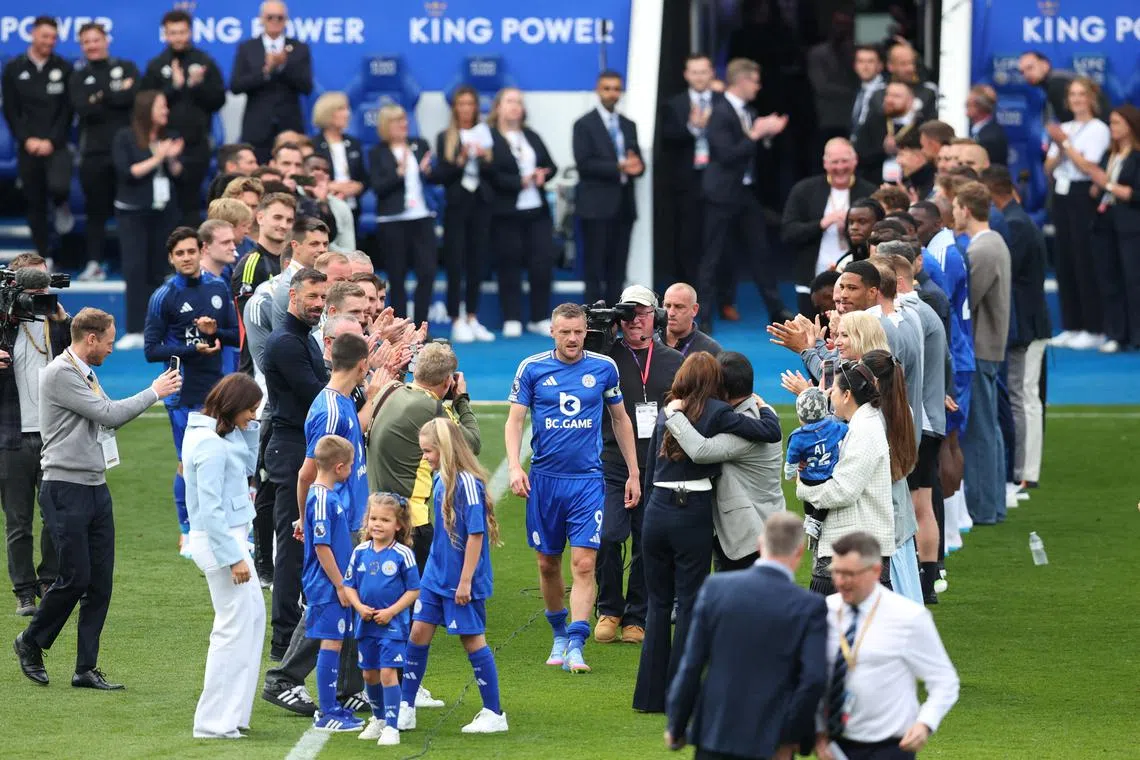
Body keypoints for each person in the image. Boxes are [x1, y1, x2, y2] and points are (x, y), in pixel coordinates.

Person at [14, 308, 182, 688]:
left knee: (99, 583)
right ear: (91, 339)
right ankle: (30, 640)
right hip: (65, 487)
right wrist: (155, 391)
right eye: (108, 340)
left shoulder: (85, 372)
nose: (110, 348)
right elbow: (108, 415)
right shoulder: (59, 373)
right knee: (74, 577)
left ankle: (85, 668)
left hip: (93, 486)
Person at [635, 352, 783, 713]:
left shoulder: (666, 411)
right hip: (691, 514)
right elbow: (768, 432)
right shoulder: (719, 413)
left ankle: (648, 697)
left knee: (657, 606)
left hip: (657, 512)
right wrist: (764, 409)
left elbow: (652, 462)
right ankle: (681, 695)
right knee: (688, 604)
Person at [506, 303, 641, 674]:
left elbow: (620, 419)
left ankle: (578, 644)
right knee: (548, 563)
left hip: (587, 482)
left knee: (584, 563)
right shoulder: (532, 368)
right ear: (553, 332)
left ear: (585, 331)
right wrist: (516, 466)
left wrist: (633, 471)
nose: (572, 338)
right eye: (565, 332)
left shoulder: (603, 368)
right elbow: (515, 420)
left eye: (578, 332)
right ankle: (559, 634)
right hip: (545, 482)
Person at [665, 512, 828, 760]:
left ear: (760, 545)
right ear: (798, 552)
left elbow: (692, 664)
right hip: (771, 742)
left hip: (715, 734)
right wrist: (790, 737)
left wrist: (676, 724)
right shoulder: (809, 606)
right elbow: (813, 679)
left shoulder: (716, 589)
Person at [398, 418, 508, 735]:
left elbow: (475, 535)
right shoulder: (440, 480)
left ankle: (494, 712)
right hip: (435, 577)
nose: (425, 457)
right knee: (418, 632)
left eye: (428, 451)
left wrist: (465, 581)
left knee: (472, 640)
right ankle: (406, 707)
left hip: (461, 580)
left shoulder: (467, 484)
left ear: (444, 449)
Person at [815, 531, 959, 760]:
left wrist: (924, 724)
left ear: (875, 571)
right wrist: (818, 733)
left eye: (850, 574)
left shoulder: (909, 617)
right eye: (837, 572)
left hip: (889, 748)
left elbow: (944, 681)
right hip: (835, 746)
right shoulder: (822, 613)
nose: (841, 582)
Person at [595, 286, 684, 645]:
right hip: (612, 460)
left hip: (658, 464)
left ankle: (636, 614)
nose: (635, 321)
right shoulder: (604, 357)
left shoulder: (674, 361)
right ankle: (608, 608)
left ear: (656, 317)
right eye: (628, 314)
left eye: (643, 313)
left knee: (648, 539)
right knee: (608, 536)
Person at [144, 226, 239, 551]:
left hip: (217, 388)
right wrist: (191, 350)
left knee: (225, 458)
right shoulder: (164, 295)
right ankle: (188, 529)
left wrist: (214, 335)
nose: (186, 257)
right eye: (179, 253)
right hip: (182, 392)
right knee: (189, 462)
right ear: (172, 259)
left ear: (200, 251)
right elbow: (151, 350)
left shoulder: (218, 287)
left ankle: (221, 525)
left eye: (190, 251)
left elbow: (232, 335)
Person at [182, 373, 265, 739]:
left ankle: (233, 715)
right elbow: (211, 510)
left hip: (229, 537)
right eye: (251, 410)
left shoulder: (220, 435)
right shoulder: (209, 444)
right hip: (221, 543)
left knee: (252, 620)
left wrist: (248, 427)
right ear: (233, 407)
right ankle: (213, 723)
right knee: (231, 629)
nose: (254, 417)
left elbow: (247, 467)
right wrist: (234, 558)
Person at [664, 351, 785, 571]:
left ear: (722, 389)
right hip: (753, 527)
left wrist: (674, 416)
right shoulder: (760, 410)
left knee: (740, 602)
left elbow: (701, 450)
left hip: (748, 534)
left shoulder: (747, 425)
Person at [264, 268, 329, 660]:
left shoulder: (300, 338)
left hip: (299, 444)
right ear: (293, 294)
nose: (318, 305)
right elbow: (317, 394)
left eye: (323, 299)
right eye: (313, 297)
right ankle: (282, 639)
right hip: (290, 447)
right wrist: (359, 390)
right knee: (292, 543)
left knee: (303, 540)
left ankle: (295, 629)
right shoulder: (287, 342)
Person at [0, 254, 68, 616]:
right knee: (18, 521)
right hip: (11, 436)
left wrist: (65, 318)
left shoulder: (56, 322)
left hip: (54, 434)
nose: (40, 290)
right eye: (32, 283)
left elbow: (90, 349)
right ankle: (24, 591)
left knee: (55, 515)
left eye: (44, 282)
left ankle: (49, 580)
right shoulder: (2, 321)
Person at [700, 58, 791, 331]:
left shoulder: (747, 111)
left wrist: (766, 135)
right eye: (755, 81)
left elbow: (749, 151)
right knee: (712, 255)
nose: (758, 86)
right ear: (741, 81)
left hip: (744, 191)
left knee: (760, 250)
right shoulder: (719, 111)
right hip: (720, 193)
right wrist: (755, 134)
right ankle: (703, 316)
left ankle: (776, 309)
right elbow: (726, 154)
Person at [796, 360, 898, 595]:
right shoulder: (862, 424)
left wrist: (803, 486)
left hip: (854, 554)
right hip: (856, 547)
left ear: (847, 395)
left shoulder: (865, 431)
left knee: (839, 629)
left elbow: (843, 490)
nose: (829, 396)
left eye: (834, 391)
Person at [981, 166, 1051, 491]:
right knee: (1024, 396)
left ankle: (1025, 470)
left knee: (1023, 396)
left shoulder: (1015, 225)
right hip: (1029, 320)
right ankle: (1026, 469)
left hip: (1026, 323)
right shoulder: (1019, 220)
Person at [297, 434, 364, 732]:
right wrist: (340, 585)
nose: (352, 469)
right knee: (331, 642)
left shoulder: (326, 496)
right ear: (339, 467)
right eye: (350, 465)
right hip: (326, 586)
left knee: (334, 642)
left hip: (331, 583)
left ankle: (332, 707)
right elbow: (323, 548)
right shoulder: (323, 499)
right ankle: (327, 712)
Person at [954, 182, 1010, 526]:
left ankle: (984, 507)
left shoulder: (983, 250)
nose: (954, 212)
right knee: (988, 430)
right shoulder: (991, 244)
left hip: (981, 349)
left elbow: (966, 304)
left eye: (957, 207)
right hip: (988, 347)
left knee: (980, 432)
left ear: (966, 209)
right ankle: (993, 504)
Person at [1062, 104, 1140, 354]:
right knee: (1110, 280)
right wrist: (1100, 187)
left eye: (1117, 123)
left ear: (1130, 126)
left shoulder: (1137, 156)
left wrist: (1109, 186)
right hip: (1107, 225)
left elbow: (1131, 192)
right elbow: (1102, 185)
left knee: (1133, 281)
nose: (1112, 128)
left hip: (1131, 226)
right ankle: (1117, 333)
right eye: (1111, 123)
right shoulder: (1111, 154)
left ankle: (1135, 334)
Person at [343, 493, 420, 746]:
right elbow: (349, 586)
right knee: (369, 676)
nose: (377, 524)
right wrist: (358, 606)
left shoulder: (402, 554)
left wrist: (391, 612)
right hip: (365, 624)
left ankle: (392, 726)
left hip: (393, 626)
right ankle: (377, 720)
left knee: (388, 673)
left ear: (398, 525)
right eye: (373, 518)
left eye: (385, 520)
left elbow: (414, 590)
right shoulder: (360, 552)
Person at [140, 8, 226, 228]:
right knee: (162, 204)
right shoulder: (156, 65)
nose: (178, 37)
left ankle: (192, 257)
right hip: (162, 144)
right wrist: (174, 87)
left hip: (196, 145)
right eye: (173, 33)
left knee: (191, 204)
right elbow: (144, 105)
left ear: (190, 32)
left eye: (182, 32)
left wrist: (196, 87)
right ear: (165, 34)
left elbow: (218, 100)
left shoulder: (205, 62)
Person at [112, 90, 184, 351]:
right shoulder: (126, 136)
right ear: (147, 110)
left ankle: (155, 327)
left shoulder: (169, 135)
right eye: (161, 106)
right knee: (135, 268)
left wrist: (173, 157)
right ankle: (133, 328)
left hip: (162, 211)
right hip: (133, 211)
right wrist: (159, 157)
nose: (166, 111)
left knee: (158, 269)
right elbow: (129, 172)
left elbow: (177, 172)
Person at [1045, 76, 1110, 350]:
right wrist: (1061, 146)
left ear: (1091, 98)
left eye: (1082, 94)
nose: (1076, 99)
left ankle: (1093, 327)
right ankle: (1072, 325)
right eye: (1072, 94)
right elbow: (1048, 167)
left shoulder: (1098, 129)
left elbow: (1088, 166)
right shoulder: (1066, 128)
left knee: (1084, 259)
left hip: (1083, 195)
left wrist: (1066, 145)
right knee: (1065, 259)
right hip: (1061, 195)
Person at [1, 16, 74, 262]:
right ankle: (44, 253)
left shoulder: (64, 67)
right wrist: (27, 139)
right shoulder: (13, 68)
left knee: (59, 187)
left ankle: (62, 204)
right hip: (28, 146)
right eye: (45, 36)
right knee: (35, 202)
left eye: (54, 37)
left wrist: (51, 140)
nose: (49, 41)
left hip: (56, 143)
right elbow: (11, 110)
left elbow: (67, 110)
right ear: (32, 35)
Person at [486, 88, 558, 338]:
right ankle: (512, 317)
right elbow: (490, 174)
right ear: (498, 107)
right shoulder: (491, 137)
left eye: (519, 102)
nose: (515, 106)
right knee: (510, 264)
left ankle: (539, 316)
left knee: (541, 263)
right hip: (506, 213)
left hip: (536, 210)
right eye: (510, 101)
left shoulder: (531, 136)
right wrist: (520, 181)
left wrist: (542, 175)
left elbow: (552, 165)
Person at [70, 22, 139, 282]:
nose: (92, 45)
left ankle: (130, 264)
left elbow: (132, 98)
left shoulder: (127, 66)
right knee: (95, 212)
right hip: (94, 153)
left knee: (129, 211)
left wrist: (98, 96)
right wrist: (115, 93)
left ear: (106, 40)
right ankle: (94, 263)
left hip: (125, 152)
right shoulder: (77, 76)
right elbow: (83, 108)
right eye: (86, 41)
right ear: (82, 46)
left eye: (96, 40)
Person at [573, 70, 645, 306]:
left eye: (616, 88)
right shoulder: (584, 124)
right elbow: (584, 164)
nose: (612, 93)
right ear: (598, 90)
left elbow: (638, 163)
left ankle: (616, 319)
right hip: (595, 205)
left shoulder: (628, 125)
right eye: (607, 88)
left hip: (624, 205)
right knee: (594, 267)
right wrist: (619, 166)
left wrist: (637, 166)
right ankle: (593, 321)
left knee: (618, 267)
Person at [782, 138, 877, 315]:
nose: (840, 167)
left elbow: (878, 234)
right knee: (812, 336)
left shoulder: (870, 192)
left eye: (845, 161)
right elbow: (788, 232)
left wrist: (851, 228)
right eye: (835, 162)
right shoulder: (804, 190)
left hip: (856, 281)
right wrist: (822, 223)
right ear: (825, 163)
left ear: (855, 160)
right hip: (812, 278)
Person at [435, 86, 495, 343]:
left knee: (477, 261)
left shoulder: (486, 135)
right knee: (455, 262)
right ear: (455, 107)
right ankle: (455, 318)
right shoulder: (445, 137)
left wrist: (483, 159)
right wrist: (460, 160)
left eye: (471, 103)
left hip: (480, 205)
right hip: (456, 206)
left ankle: (472, 315)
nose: (466, 108)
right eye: (462, 103)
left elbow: (497, 173)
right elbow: (441, 176)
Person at [369, 104, 438, 322]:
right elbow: (378, 188)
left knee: (427, 272)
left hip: (422, 215)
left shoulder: (419, 145)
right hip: (392, 219)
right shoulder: (377, 152)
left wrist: (428, 172)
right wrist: (398, 174)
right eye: (398, 121)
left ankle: (421, 325)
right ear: (386, 125)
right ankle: (401, 326)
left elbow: (433, 179)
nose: (404, 124)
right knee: (396, 276)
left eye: (405, 120)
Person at [659, 53, 720, 286]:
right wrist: (693, 127)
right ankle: (685, 291)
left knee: (718, 238)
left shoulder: (722, 101)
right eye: (694, 72)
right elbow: (667, 139)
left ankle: (721, 297)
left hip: (719, 179)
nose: (699, 77)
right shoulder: (674, 104)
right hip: (686, 181)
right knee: (686, 237)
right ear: (686, 75)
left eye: (703, 71)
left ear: (712, 72)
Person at [231, 0, 313, 162]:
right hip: (257, 128)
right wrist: (265, 71)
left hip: (289, 126)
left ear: (286, 20)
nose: (275, 21)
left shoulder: (299, 48)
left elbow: (306, 86)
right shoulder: (248, 48)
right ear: (261, 19)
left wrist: (283, 66)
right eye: (270, 17)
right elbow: (236, 86)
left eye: (279, 17)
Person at [232, 192, 298, 373]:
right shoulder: (251, 265)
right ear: (260, 217)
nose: (283, 225)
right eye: (277, 217)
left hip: (286, 361)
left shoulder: (292, 266)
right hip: (257, 369)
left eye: (289, 220)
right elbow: (250, 323)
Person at [786, 387, 847, 550]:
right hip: (827, 476)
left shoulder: (798, 436)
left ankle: (808, 517)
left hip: (807, 477)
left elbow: (791, 458)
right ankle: (816, 522)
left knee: (807, 495)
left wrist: (789, 474)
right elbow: (848, 429)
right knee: (824, 501)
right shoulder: (834, 427)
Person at [311, 91, 367, 225]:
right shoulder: (313, 144)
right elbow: (302, 177)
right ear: (327, 113)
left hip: (352, 209)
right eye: (341, 109)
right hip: (324, 209)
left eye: (347, 109)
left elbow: (365, 177)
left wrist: (358, 186)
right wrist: (329, 185)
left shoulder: (354, 143)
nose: (347, 114)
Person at [855, 80, 921, 185]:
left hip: (912, 185)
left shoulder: (921, 125)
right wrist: (882, 150)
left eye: (896, 96)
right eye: (887, 95)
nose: (889, 100)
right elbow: (859, 155)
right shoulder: (874, 121)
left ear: (910, 101)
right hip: (875, 184)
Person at [1018, 51, 1110, 124]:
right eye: (1022, 72)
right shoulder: (1057, 80)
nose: (1026, 74)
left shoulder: (1057, 84)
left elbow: (1070, 121)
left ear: (1045, 65)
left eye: (1030, 68)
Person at [661, 283, 722, 357]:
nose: (671, 313)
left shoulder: (711, 350)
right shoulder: (649, 344)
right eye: (667, 306)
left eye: (679, 307)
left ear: (694, 309)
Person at [966, 85, 1008, 167]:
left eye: (969, 103)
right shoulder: (975, 130)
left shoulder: (992, 136)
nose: (966, 105)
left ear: (981, 106)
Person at [850, 45, 885, 138]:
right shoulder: (856, 91)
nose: (865, 67)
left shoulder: (887, 91)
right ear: (855, 66)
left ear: (880, 65)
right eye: (860, 61)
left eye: (870, 61)